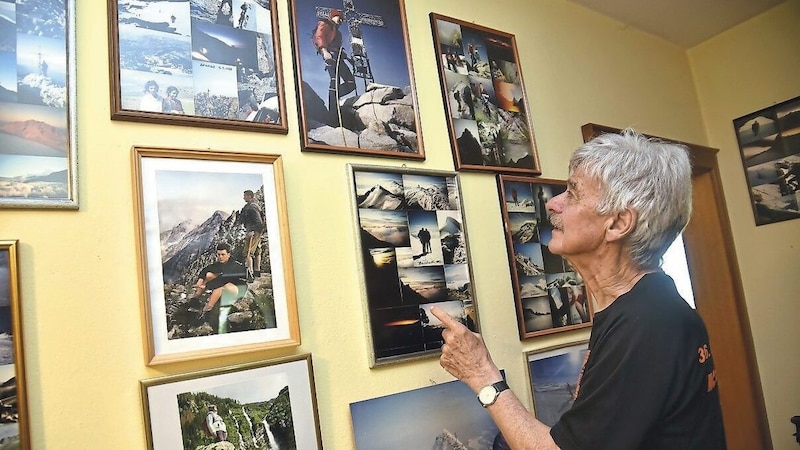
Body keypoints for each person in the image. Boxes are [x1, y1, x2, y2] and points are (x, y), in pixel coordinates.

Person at [431, 129, 726, 450]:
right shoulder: (648, 306)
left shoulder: (647, 325)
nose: (554, 202)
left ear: (617, 224)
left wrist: (481, 374)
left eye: (573, 193)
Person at [192, 242, 248, 334]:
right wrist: (200, 280)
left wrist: (206, 286)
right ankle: (196, 297)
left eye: (223, 254)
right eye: (218, 255)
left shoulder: (233, 265)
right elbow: (206, 270)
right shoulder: (220, 263)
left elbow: (223, 279)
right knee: (209, 274)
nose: (220, 257)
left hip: (238, 289)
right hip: (225, 285)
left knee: (220, 287)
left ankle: (207, 310)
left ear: (228, 254)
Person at [311, 8, 356, 120]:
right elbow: (319, 36)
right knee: (334, 80)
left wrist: (347, 58)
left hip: (339, 56)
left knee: (350, 83)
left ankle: (335, 98)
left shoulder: (338, 33)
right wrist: (324, 51)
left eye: (342, 19)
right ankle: (333, 113)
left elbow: (338, 48)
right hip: (330, 55)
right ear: (332, 16)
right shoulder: (324, 24)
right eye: (338, 17)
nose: (340, 20)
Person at [238, 190, 264, 282]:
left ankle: (250, 274)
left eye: (245, 196)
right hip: (257, 231)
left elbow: (259, 221)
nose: (243, 197)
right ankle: (257, 271)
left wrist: (252, 230)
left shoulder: (252, 207)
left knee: (247, 253)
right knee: (257, 251)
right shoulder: (254, 205)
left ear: (250, 196)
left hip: (253, 231)